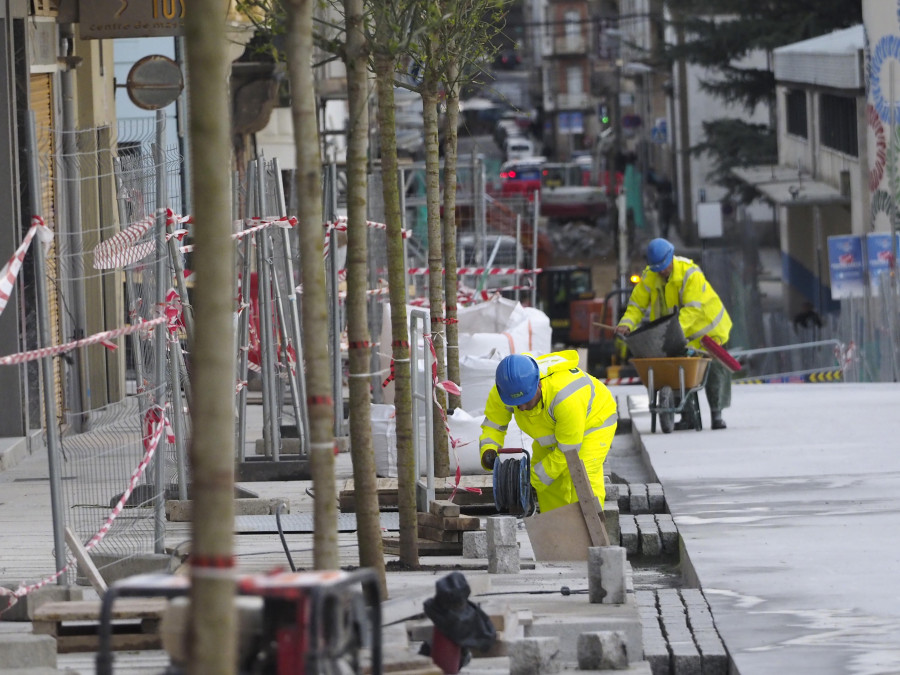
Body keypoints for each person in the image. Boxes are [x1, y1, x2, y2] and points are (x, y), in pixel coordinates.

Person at [479, 351, 618, 514]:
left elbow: (568, 452)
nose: (521, 408)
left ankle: (590, 533)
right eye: (516, 404)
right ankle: (557, 534)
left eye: (526, 401)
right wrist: (488, 449)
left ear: (539, 384)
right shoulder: (506, 391)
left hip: (593, 423)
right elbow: (494, 426)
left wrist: (529, 480)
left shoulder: (566, 397)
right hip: (555, 428)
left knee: (581, 477)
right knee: (549, 485)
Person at [615, 238, 733, 430]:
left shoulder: (690, 274)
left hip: (709, 331)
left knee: (715, 372)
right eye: (657, 268)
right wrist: (626, 324)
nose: (662, 271)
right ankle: (687, 416)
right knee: (679, 371)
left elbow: (693, 310)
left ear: (671, 257)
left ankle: (717, 415)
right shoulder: (650, 277)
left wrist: (672, 332)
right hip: (679, 333)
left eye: (664, 266)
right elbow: (636, 305)